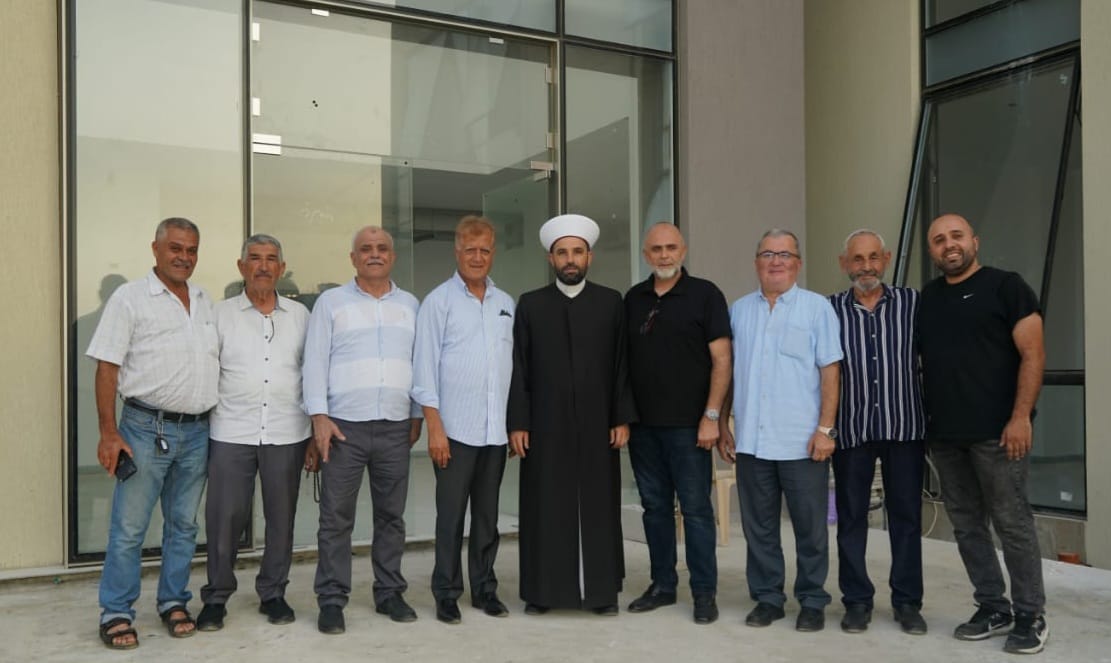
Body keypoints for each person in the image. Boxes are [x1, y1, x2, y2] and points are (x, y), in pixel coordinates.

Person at [918, 213, 1048, 655]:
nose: (949, 245)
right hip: (946, 437)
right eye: (939, 240)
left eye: (956, 236)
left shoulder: (1006, 287)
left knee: (1013, 523)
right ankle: (993, 606)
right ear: (932, 251)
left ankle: (1030, 614)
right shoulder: (928, 299)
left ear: (975, 241)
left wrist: (1021, 416)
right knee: (968, 526)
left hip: (1000, 434)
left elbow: (1033, 354)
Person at [87, 217, 218, 649]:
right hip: (144, 430)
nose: (184, 257)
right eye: (175, 248)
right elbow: (107, 367)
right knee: (129, 528)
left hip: (196, 433)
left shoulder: (204, 301)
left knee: (183, 525)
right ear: (156, 249)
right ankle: (116, 611)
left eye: (191, 250)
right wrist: (109, 432)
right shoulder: (130, 298)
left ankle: (173, 601)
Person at [507, 213, 637, 616]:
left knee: (599, 504)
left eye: (577, 252)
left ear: (589, 257)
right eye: (562, 253)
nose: (570, 259)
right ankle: (543, 592)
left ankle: (601, 593)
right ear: (551, 259)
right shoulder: (531, 304)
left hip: (598, 423)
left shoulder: (611, 302)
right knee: (546, 505)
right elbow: (520, 366)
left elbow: (621, 364)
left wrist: (620, 417)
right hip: (546, 425)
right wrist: (519, 422)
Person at [718, 228, 842, 633]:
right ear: (756, 262)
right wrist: (723, 423)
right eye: (768, 254)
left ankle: (812, 600)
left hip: (802, 442)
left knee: (810, 528)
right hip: (752, 441)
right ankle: (768, 598)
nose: (776, 261)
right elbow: (730, 372)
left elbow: (830, 371)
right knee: (759, 528)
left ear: (798, 263)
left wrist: (826, 429)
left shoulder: (817, 309)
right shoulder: (739, 310)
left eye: (784, 254)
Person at [303, 225, 423, 635]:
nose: (374, 254)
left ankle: (389, 592)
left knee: (391, 516)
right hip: (343, 428)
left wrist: (416, 414)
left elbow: (418, 363)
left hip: (394, 426)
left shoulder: (410, 305)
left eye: (382, 248)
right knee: (336, 518)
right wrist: (319, 416)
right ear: (353, 258)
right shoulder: (331, 303)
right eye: (366, 249)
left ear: (392, 256)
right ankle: (331, 599)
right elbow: (314, 361)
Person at [196, 234, 314, 632]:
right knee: (225, 518)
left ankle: (273, 593)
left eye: (271, 259)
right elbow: (205, 370)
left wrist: (315, 432)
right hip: (231, 431)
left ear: (282, 268)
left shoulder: (301, 316)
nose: (263, 266)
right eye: (255, 258)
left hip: (287, 431)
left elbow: (313, 374)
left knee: (281, 518)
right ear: (241, 266)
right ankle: (216, 597)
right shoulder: (220, 314)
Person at [623, 222, 731, 625]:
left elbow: (722, 360)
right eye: (656, 249)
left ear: (683, 251)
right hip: (644, 429)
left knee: (697, 510)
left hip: (691, 429)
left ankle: (704, 592)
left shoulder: (705, 295)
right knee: (655, 509)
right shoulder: (633, 299)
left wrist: (712, 417)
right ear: (645, 255)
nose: (664, 255)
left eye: (671, 247)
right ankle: (663, 586)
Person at [412, 216, 515, 624]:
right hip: (454, 432)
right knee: (451, 518)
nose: (477, 257)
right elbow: (424, 371)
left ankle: (485, 589)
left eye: (484, 250)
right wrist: (435, 429)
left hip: (495, 432)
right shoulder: (438, 302)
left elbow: (512, 368)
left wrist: (512, 426)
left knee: (487, 518)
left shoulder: (506, 303)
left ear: (493, 253)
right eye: (470, 250)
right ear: (457, 252)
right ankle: (446, 593)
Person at [828, 229, 927, 635]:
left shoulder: (913, 303)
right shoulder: (829, 309)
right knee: (851, 518)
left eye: (873, 257)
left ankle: (907, 602)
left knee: (906, 518)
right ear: (844, 264)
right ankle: (856, 601)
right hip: (852, 429)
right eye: (857, 259)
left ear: (885, 259)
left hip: (905, 427)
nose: (866, 266)